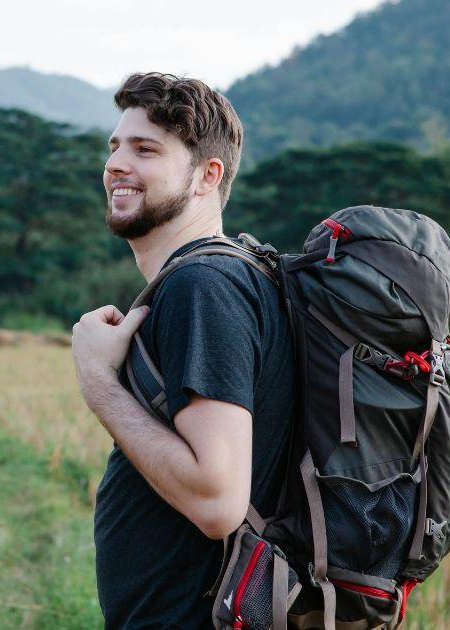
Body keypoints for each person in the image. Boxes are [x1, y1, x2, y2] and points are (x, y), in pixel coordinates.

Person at [71, 72, 296, 628]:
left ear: (206, 176)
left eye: (146, 149)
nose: (117, 165)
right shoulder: (225, 276)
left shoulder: (204, 287)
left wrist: (98, 381)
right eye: (115, 147)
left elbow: (216, 501)